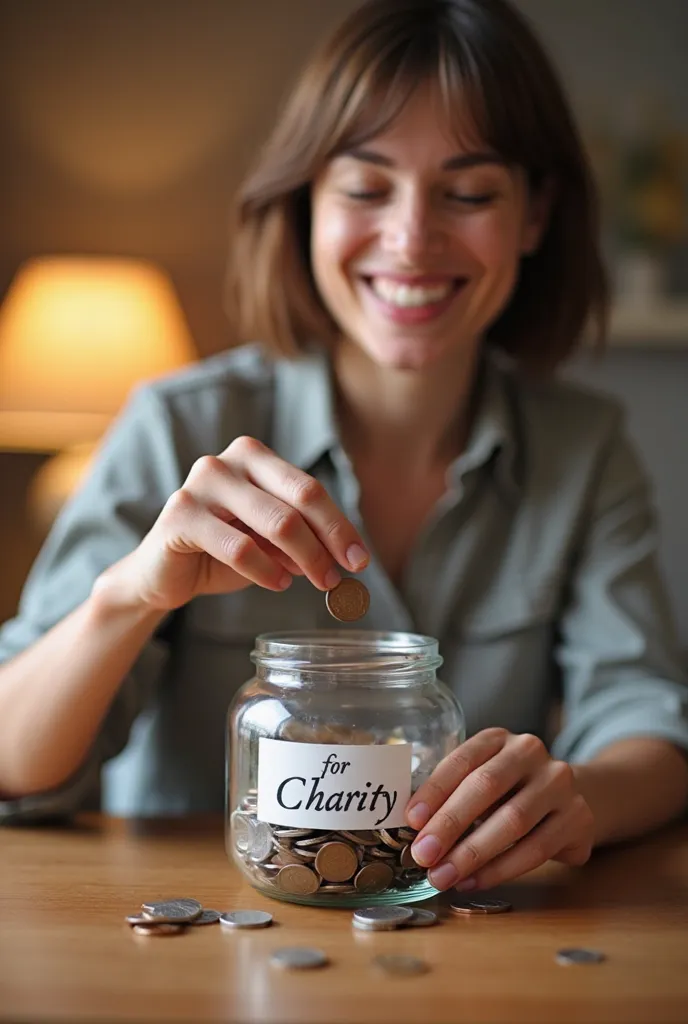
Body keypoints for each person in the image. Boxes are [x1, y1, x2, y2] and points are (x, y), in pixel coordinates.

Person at [0, 0, 686, 896]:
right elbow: (12, 765)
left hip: (459, 949)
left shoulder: (584, 448)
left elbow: (651, 726)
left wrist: (574, 796)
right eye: (366, 188)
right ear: (305, 206)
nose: (411, 239)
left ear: (534, 215)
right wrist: (129, 596)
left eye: (470, 193)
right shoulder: (177, 426)